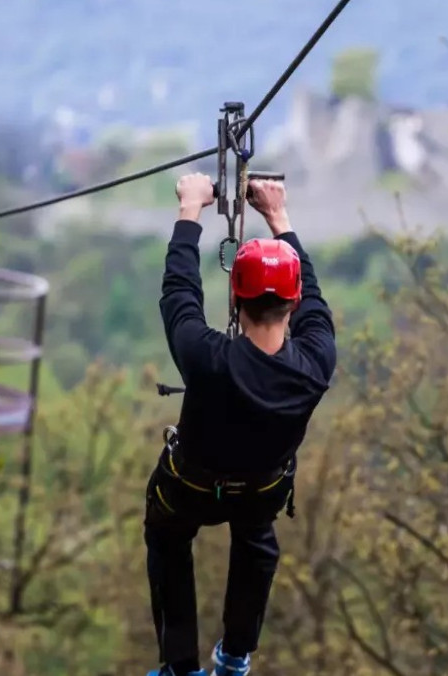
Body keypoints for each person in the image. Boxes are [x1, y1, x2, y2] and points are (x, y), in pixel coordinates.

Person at [144, 173, 336, 676]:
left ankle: (181, 666)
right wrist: (279, 218)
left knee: (167, 539)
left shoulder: (207, 360)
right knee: (256, 539)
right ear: (291, 303)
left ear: (235, 299)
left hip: (188, 487)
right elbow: (314, 300)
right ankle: (235, 654)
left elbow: (179, 293)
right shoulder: (315, 364)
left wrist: (191, 209)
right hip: (261, 488)